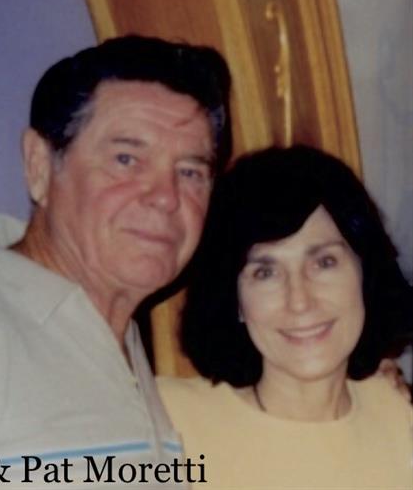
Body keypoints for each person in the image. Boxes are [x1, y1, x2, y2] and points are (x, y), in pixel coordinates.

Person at [0, 35, 232, 489]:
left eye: (190, 172)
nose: (165, 197)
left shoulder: (119, 342)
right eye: (126, 159)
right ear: (39, 165)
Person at [159, 145, 413, 490]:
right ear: (235, 299)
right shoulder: (168, 419)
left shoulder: (398, 417)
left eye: (324, 263)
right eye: (265, 273)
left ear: (365, 273)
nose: (300, 301)